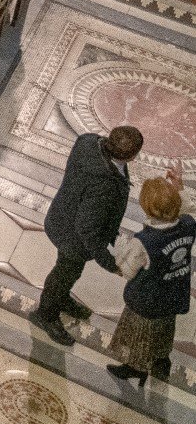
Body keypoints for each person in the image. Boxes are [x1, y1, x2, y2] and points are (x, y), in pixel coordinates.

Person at [34, 124, 145, 345]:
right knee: (64, 274)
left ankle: (60, 299)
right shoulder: (105, 184)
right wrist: (109, 263)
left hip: (63, 215)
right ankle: (45, 314)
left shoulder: (87, 142)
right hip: (73, 237)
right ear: (133, 156)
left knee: (66, 272)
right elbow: (87, 228)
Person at [105, 175, 196, 386]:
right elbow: (187, 210)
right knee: (165, 330)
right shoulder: (188, 225)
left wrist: (120, 248)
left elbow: (127, 271)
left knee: (140, 336)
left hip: (147, 300)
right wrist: (179, 187)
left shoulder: (144, 241)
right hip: (173, 295)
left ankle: (135, 368)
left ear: (147, 209)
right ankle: (162, 361)